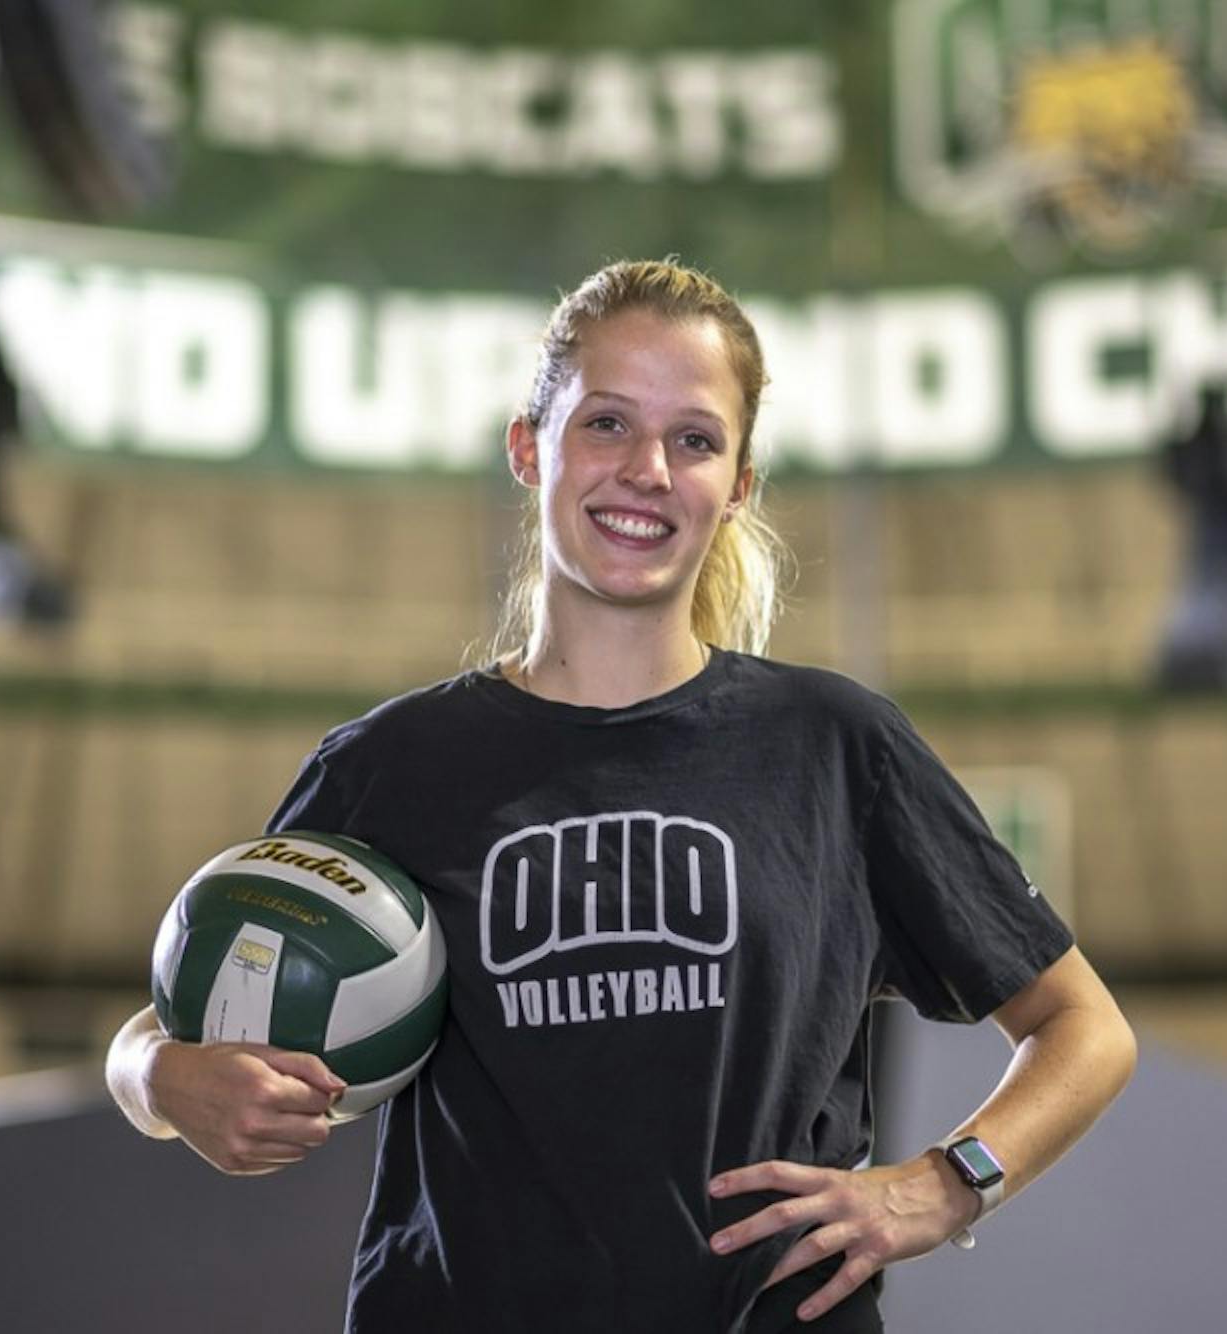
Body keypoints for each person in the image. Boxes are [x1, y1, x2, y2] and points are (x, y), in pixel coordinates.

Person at [106, 259, 1136, 1332]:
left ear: (737, 486)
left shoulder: (834, 747)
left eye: (693, 440)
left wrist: (946, 1182)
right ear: (528, 446)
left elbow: (1081, 1025)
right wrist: (157, 1077)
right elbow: (186, 1015)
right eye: (606, 423)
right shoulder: (392, 764)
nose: (647, 470)